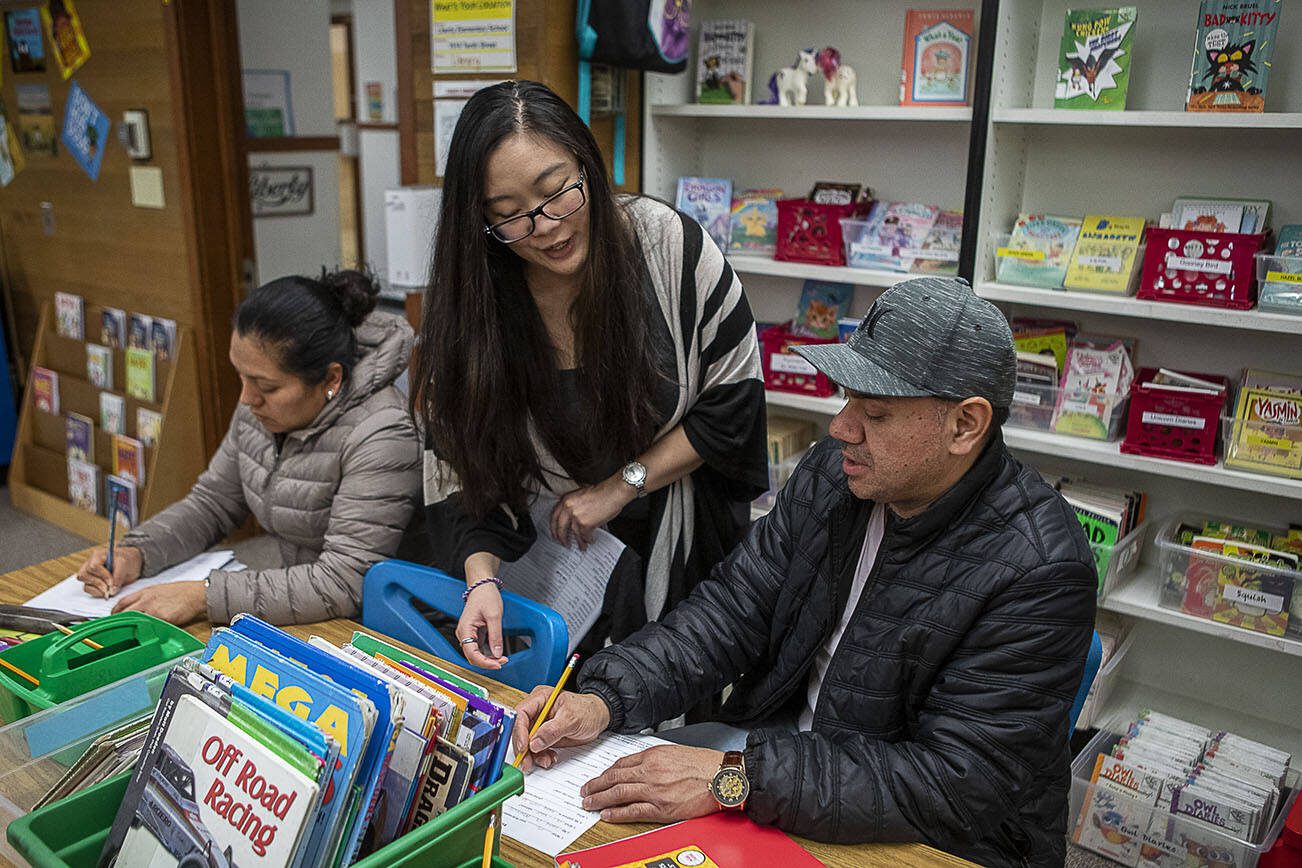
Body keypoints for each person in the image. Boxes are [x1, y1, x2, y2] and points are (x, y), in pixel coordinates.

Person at [510, 277, 1098, 868]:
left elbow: (950, 784)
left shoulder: (1043, 568)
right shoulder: (834, 476)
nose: (841, 428)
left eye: (875, 412)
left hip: (925, 839)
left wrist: (733, 779)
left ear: (966, 426)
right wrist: (604, 697)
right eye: (846, 400)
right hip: (777, 769)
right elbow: (732, 612)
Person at [411, 80, 767, 669]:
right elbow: (461, 466)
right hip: (554, 576)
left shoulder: (668, 249)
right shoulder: (477, 299)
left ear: (587, 164)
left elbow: (731, 407)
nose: (546, 226)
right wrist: (481, 583)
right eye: (510, 217)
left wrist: (617, 487)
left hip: (684, 553)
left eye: (558, 194)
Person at [76, 270, 423, 626]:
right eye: (241, 376)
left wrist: (203, 596)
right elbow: (212, 504)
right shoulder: (260, 411)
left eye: (266, 386)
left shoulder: (381, 433)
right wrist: (139, 551)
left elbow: (344, 581)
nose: (247, 399)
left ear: (331, 379)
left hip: (384, 628)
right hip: (303, 607)